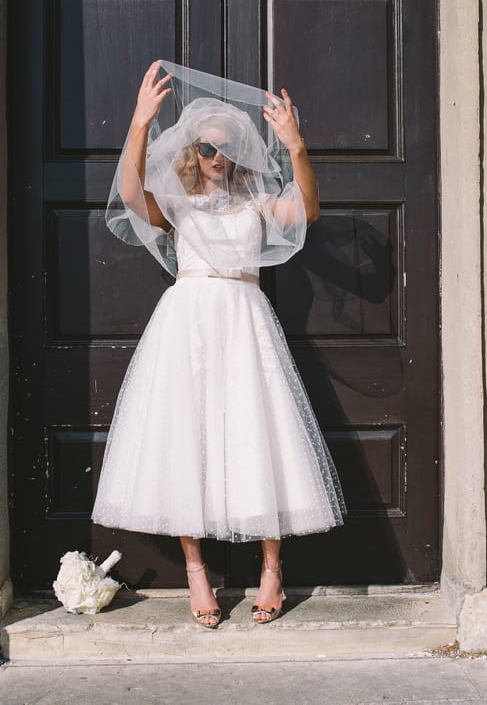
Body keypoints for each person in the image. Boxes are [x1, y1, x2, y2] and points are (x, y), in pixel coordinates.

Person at [92, 60, 345, 628]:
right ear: (191, 149)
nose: (217, 156)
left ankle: (272, 570)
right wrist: (139, 122)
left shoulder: (257, 202)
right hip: (187, 323)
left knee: (260, 431)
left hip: (245, 318)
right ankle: (196, 571)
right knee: (190, 436)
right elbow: (132, 194)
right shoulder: (177, 204)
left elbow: (307, 210)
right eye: (206, 146)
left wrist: (295, 146)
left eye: (228, 148)